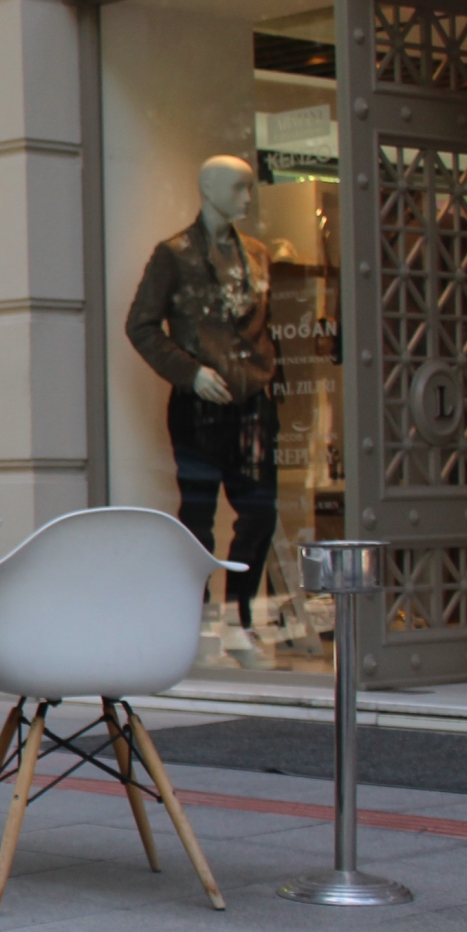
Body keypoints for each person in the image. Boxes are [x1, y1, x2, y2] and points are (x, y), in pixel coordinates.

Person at [125, 154, 279, 634]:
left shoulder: (256, 253)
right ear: (208, 189)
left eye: (249, 188)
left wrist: (267, 377)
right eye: (238, 188)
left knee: (259, 512)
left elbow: (261, 326)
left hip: (252, 400)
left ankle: (239, 619)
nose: (247, 199)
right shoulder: (175, 254)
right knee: (198, 518)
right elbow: (141, 325)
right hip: (199, 406)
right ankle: (194, 621)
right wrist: (190, 374)